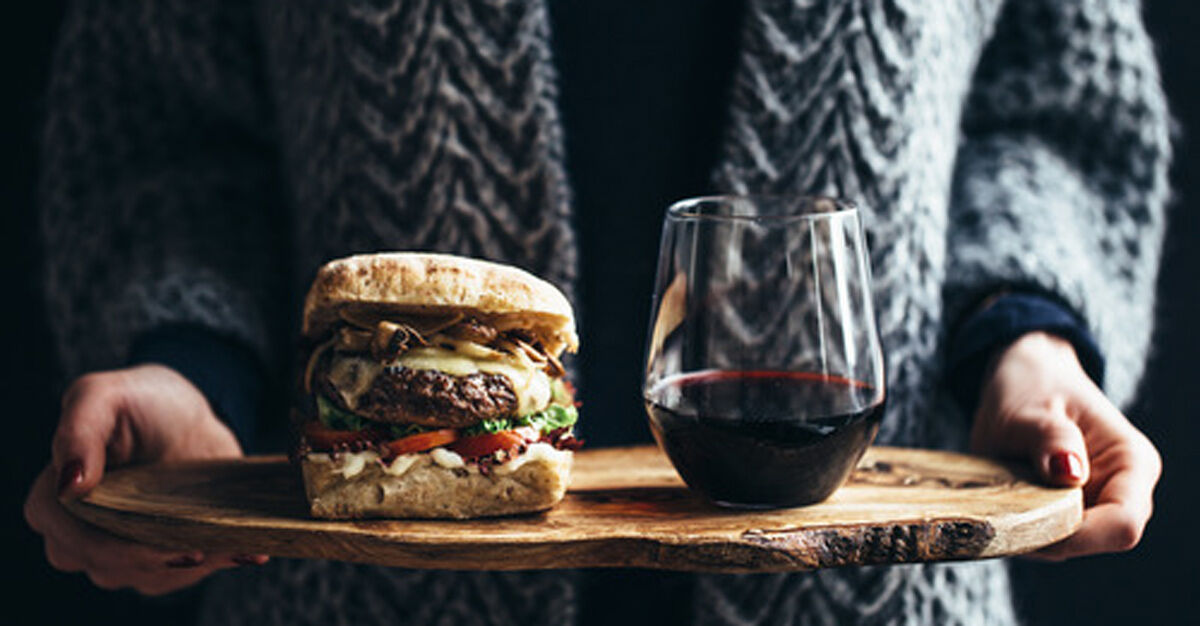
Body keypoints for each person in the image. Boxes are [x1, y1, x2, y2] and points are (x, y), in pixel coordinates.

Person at [25, 1, 1167, 624]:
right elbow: (164, 130)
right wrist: (186, 364)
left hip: (874, 587)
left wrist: (1023, 334)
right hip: (368, 591)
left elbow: (1054, 108)